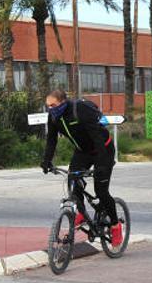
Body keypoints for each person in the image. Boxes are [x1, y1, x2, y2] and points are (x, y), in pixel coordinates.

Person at [41, 90, 122, 243]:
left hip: (103, 149)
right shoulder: (53, 117)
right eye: (48, 106)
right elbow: (51, 140)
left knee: (101, 191)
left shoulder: (80, 110)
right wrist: (46, 161)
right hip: (82, 152)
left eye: (53, 105)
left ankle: (115, 225)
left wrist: (102, 164)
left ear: (63, 102)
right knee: (73, 182)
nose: (50, 109)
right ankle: (81, 212)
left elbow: (97, 136)